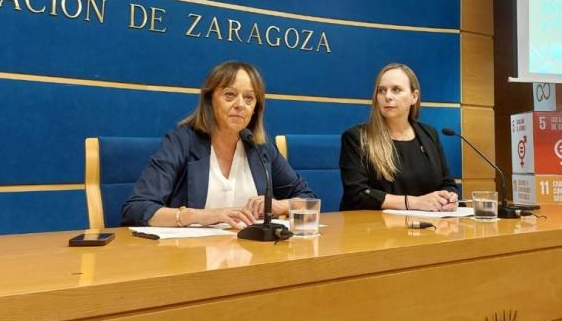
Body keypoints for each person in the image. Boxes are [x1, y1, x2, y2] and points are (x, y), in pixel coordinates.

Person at [121, 61, 316, 227]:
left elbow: (309, 200)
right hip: (191, 255)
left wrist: (280, 206)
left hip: (254, 253)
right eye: (230, 95)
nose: (240, 104)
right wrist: (203, 216)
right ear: (210, 100)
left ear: (256, 108)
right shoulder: (182, 142)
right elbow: (135, 209)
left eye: (249, 98)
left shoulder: (261, 148)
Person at [339, 63, 459, 211]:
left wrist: (449, 198)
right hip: (374, 223)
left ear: (414, 97)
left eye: (396, 90)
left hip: (428, 222)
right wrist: (414, 203)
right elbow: (357, 194)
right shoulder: (357, 137)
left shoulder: (429, 134)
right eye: (382, 90)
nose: (387, 96)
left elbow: (447, 183)